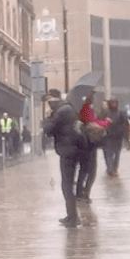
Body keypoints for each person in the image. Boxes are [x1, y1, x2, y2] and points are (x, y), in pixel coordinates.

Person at [45, 93, 89, 227]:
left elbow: (49, 130)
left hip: (67, 151)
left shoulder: (61, 112)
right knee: (68, 185)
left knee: (67, 185)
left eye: (49, 101)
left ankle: (73, 217)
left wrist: (48, 118)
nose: (49, 104)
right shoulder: (69, 108)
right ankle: (71, 216)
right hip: (75, 150)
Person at [76, 96, 108, 200]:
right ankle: (85, 193)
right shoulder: (86, 109)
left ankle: (80, 193)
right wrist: (106, 122)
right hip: (90, 143)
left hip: (83, 143)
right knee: (92, 170)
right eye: (90, 96)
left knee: (83, 170)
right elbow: (93, 123)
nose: (92, 98)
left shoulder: (81, 109)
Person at [101, 99, 128, 177]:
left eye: (115, 103)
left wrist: (126, 137)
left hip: (118, 136)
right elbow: (100, 122)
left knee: (116, 153)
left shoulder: (121, 113)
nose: (114, 104)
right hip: (108, 136)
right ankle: (110, 168)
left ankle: (114, 168)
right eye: (112, 103)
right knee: (108, 153)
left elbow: (125, 124)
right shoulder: (106, 113)